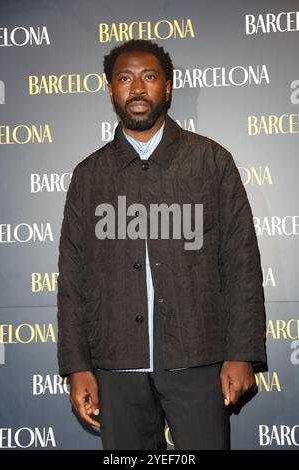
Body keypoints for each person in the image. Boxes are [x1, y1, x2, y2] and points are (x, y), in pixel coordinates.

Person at [57, 39, 267, 450]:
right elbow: (73, 278)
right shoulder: (89, 176)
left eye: (149, 77)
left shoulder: (211, 162)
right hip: (115, 364)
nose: (137, 88)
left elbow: (241, 263)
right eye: (125, 78)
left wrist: (241, 352)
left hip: (199, 357)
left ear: (168, 88)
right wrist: (77, 366)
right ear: (111, 89)